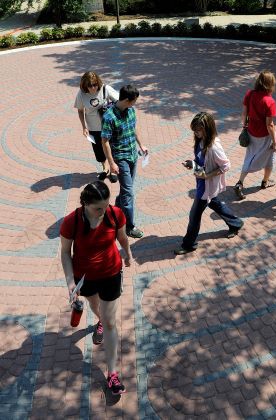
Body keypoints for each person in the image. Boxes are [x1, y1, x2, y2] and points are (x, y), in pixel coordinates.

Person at [60, 181, 131, 396]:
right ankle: (99, 320)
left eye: (106, 205)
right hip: (85, 278)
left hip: (111, 273)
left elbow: (122, 237)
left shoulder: (114, 214)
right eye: (98, 208)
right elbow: (65, 253)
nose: (103, 211)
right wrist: (70, 282)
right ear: (85, 204)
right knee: (95, 305)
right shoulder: (71, 222)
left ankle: (112, 374)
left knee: (110, 322)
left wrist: (128, 252)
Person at [174, 112, 244, 255]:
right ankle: (236, 223)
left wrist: (208, 175)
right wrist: (192, 163)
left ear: (207, 129)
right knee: (215, 203)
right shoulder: (201, 141)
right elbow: (202, 161)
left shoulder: (214, 146)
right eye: (194, 130)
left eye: (198, 130)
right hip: (203, 184)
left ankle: (189, 244)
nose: (196, 133)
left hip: (205, 187)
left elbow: (226, 166)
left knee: (194, 216)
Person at [101, 84, 147, 239]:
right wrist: (111, 163)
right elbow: (105, 141)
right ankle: (130, 226)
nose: (135, 104)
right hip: (120, 158)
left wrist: (141, 144)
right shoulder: (109, 117)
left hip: (133, 155)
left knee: (127, 190)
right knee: (128, 192)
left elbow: (133, 129)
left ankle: (115, 211)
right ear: (127, 100)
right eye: (134, 101)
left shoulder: (131, 111)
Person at [234, 71, 276, 200]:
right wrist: (275, 140)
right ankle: (260, 181)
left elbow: (244, 114)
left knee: (251, 157)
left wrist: (245, 127)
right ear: (270, 85)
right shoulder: (270, 101)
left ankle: (249, 181)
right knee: (269, 157)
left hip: (251, 132)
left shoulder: (250, 94)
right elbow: (269, 125)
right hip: (264, 136)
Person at [74, 71, 119, 180]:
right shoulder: (81, 94)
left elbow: (119, 101)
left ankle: (113, 169)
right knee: (98, 149)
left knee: (111, 147)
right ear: (85, 85)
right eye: (90, 86)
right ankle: (105, 168)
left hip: (108, 126)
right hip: (93, 127)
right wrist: (84, 127)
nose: (93, 88)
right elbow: (80, 111)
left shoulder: (105, 89)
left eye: (95, 84)